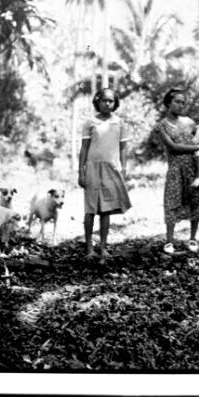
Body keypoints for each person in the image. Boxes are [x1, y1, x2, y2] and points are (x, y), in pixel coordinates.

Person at [155, 88, 199, 255]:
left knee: (196, 200)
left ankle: (193, 237)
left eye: (183, 102)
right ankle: (169, 241)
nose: (180, 105)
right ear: (168, 103)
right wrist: (196, 147)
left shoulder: (190, 123)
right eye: (177, 101)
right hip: (176, 167)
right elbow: (173, 147)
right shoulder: (162, 125)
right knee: (173, 201)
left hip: (194, 165)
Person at [78, 87, 131, 264]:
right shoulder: (90, 123)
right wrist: (81, 171)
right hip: (93, 168)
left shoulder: (119, 123)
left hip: (111, 168)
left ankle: (103, 247)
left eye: (111, 101)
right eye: (104, 100)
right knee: (90, 208)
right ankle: (88, 248)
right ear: (97, 101)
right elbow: (84, 148)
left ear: (115, 103)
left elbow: (123, 147)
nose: (107, 104)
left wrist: (124, 169)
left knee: (106, 209)